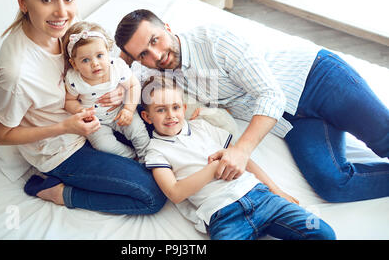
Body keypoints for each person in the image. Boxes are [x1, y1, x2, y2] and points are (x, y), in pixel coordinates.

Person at [114, 8, 389, 203]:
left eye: (155, 40)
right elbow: (122, 78)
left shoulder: (213, 40)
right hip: (291, 122)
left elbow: (270, 94)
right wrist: (119, 66)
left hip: (316, 79)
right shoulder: (159, 78)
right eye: (144, 55)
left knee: (385, 139)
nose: (157, 55)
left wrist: (241, 150)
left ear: (168, 28)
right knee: (333, 184)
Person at [0, 0, 166, 214]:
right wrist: (64, 126)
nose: (62, 12)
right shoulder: (16, 72)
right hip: (63, 149)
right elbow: (0, 135)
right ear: (23, 1)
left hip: (99, 115)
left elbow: (101, 58)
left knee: (164, 120)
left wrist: (118, 91)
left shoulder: (67, 26)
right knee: (153, 195)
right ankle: (58, 192)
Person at [140, 76, 335, 240]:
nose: (170, 115)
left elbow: (244, 160)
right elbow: (174, 192)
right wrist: (216, 166)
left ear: (183, 108)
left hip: (260, 196)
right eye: (160, 109)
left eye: (175, 107)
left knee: (324, 234)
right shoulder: (156, 151)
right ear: (147, 117)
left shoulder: (203, 127)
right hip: (224, 215)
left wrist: (277, 191)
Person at [62, 21, 150, 161]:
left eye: (100, 55)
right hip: (96, 121)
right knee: (103, 145)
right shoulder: (74, 79)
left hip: (120, 111)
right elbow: (69, 100)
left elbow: (134, 86)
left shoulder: (117, 67)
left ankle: (148, 156)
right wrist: (81, 111)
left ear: (108, 53)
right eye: (85, 60)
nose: (95, 63)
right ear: (74, 64)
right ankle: (131, 156)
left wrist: (128, 109)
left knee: (138, 131)